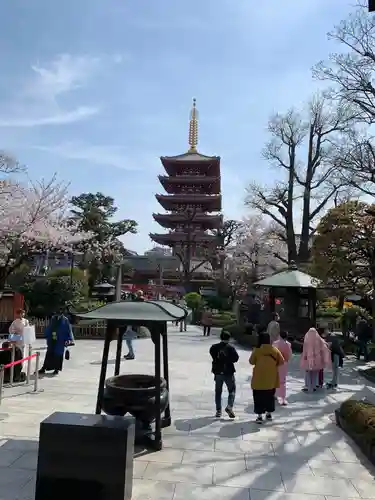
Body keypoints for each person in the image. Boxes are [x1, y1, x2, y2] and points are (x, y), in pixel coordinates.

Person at [250, 332, 284, 423]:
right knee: (269, 396)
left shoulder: (257, 350)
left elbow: (251, 361)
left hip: (258, 379)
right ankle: (269, 414)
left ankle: (259, 416)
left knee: (258, 397)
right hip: (271, 378)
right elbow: (282, 361)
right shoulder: (274, 350)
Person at [209, 330, 239, 418]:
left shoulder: (214, 347)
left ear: (220, 337)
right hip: (228, 372)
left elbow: (213, 356)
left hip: (217, 372)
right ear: (229, 339)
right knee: (232, 390)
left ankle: (218, 411)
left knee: (218, 392)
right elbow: (236, 359)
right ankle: (229, 406)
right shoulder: (231, 348)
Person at [300, 327, 331, 392]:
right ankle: (314, 386)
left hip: (308, 359)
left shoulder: (307, 341)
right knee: (315, 374)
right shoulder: (319, 340)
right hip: (317, 360)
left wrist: (304, 357)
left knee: (308, 374)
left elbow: (304, 351)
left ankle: (309, 387)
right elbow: (325, 348)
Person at [273, 331, 292, 405]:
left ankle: (274, 395)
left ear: (279, 335)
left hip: (276, 363)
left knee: (275, 379)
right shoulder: (288, 344)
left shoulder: (275, 343)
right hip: (284, 364)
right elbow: (289, 355)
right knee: (282, 381)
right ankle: (283, 398)